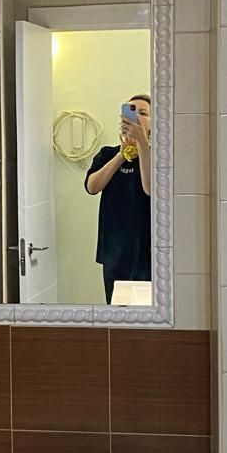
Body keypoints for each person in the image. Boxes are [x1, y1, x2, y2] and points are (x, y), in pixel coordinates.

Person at [85, 94, 151, 303]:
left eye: (143, 113)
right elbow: (92, 187)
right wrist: (122, 155)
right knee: (117, 311)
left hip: (149, 253)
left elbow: (150, 188)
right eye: (132, 113)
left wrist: (143, 144)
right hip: (114, 252)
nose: (137, 118)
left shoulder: (161, 157)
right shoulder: (107, 154)